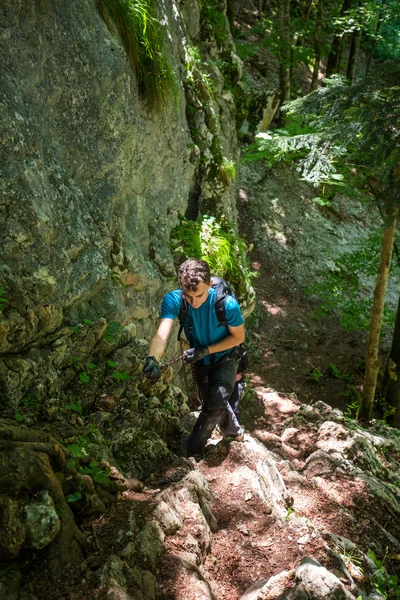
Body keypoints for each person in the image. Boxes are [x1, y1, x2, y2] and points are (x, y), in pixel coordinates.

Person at [143, 258, 245, 456]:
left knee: (215, 403)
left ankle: (191, 451)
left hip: (226, 356)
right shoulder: (174, 300)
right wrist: (152, 359)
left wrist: (206, 350)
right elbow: (161, 335)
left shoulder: (227, 304)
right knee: (212, 404)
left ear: (210, 284)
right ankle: (235, 432)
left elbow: (238, 337)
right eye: (189, 297)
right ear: (182, 288)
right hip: (200, 360)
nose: (194, 302)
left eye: (199, 295)